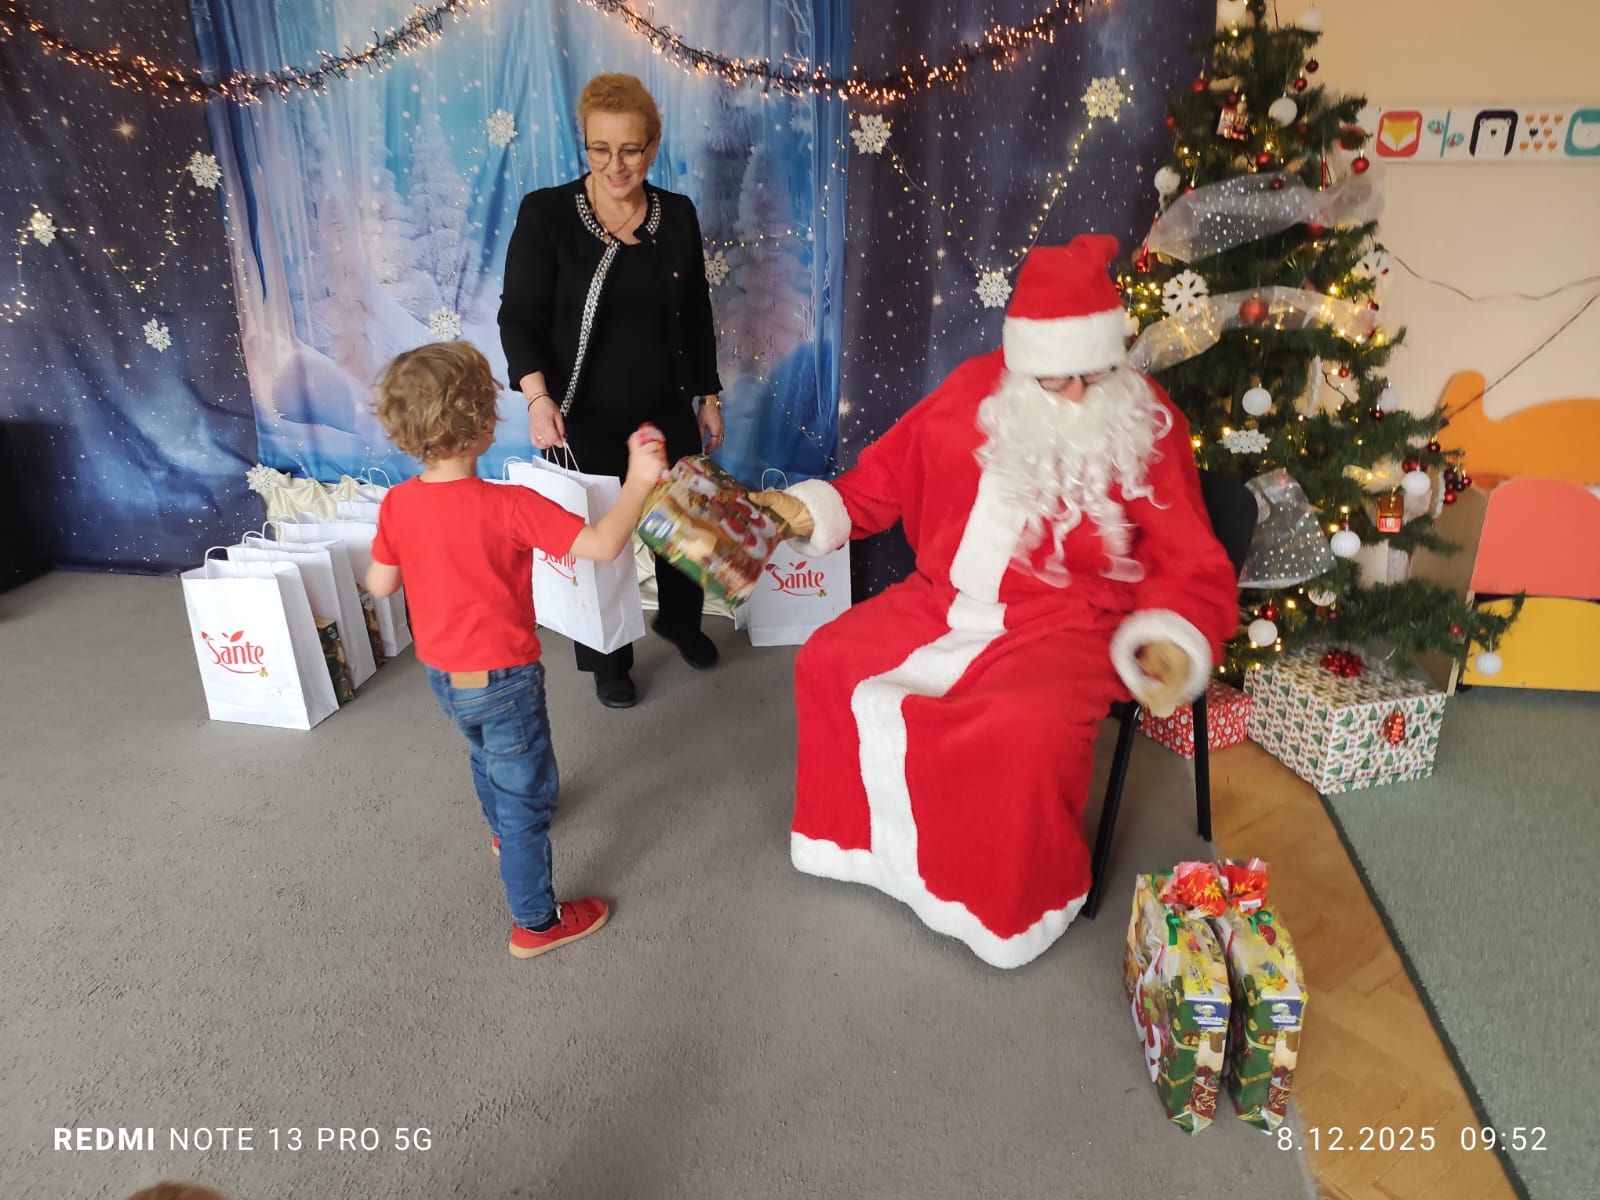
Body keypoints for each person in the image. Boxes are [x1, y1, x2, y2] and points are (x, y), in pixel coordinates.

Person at [752, 236, 1239, 970]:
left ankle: (1002, 903)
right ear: (1023, 362)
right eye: (1057, 379)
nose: (1077, 395)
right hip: (944, 600)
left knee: (1020, 726)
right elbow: (886, 474)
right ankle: (865, 850)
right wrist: (809, 510)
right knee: (828, 660)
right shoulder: (971, 391)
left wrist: (1175, 636)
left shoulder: (1145, 422)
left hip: (1075, 621)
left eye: (1092, 374)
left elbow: (1189, 559)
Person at [367, 342, 667, 958]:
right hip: (505, 680)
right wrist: (639, 481)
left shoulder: (398, 503)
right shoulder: (508, 506)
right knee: (527, 797)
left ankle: (502, 830)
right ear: (483, 423)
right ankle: (535, 923)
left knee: (484, 755)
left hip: (445, 677)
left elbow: (379, 584)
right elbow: (603, 545)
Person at [499, 72, 724, 710]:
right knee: (598, 541)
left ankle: (679, 621)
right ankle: (608, 658)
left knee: (681, 528)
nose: (615, 165)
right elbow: (519, 317)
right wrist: (537, 397)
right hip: (583, 416)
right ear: (586, 146)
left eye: (630, 149)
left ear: (652, 147)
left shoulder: (677, 215)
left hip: (664, 406)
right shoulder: (546, 214)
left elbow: (695, 312)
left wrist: (708, 396)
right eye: (600, 149)